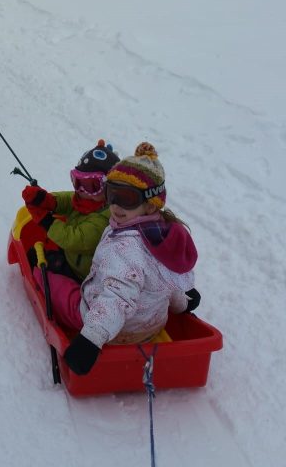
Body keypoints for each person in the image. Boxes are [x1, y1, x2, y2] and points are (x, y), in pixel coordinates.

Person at [34, 142, 200, 376]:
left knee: (48, 279)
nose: (116, 206)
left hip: (116, 333)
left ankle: (44, 277)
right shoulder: (164, 236)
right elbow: (165, 281)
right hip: (152, 325)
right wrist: (182, 302)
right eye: (112, 194)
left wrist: (90, 340)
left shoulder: (124, 247)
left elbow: (117, 297)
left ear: (151, 202)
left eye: (127, 198)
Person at [22, 140, 120, 281]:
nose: (81, 190)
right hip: (72, 257)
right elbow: (68, 200)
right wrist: (48, 200)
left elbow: (74, 239)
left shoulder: (105, 220)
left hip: (82, 273)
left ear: (111, 188)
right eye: (77, 182)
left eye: (91, 185)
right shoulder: (88, 199)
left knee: (35, 261)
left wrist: (46, 220)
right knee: (34, 254)